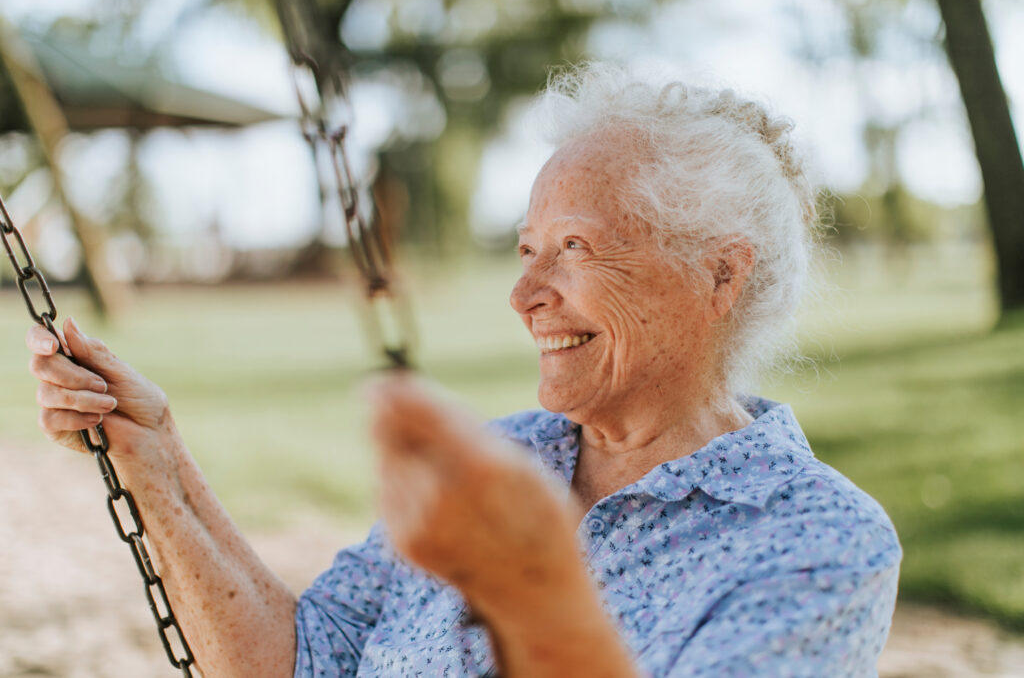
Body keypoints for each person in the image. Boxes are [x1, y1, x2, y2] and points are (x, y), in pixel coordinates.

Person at [25, 63, 900, 677]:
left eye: (573, 249)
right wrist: (159, 463)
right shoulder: (496, 458)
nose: (524, 293)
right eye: (524, 250)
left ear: (719, 273)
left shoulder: (818, 542)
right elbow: (307, 661)